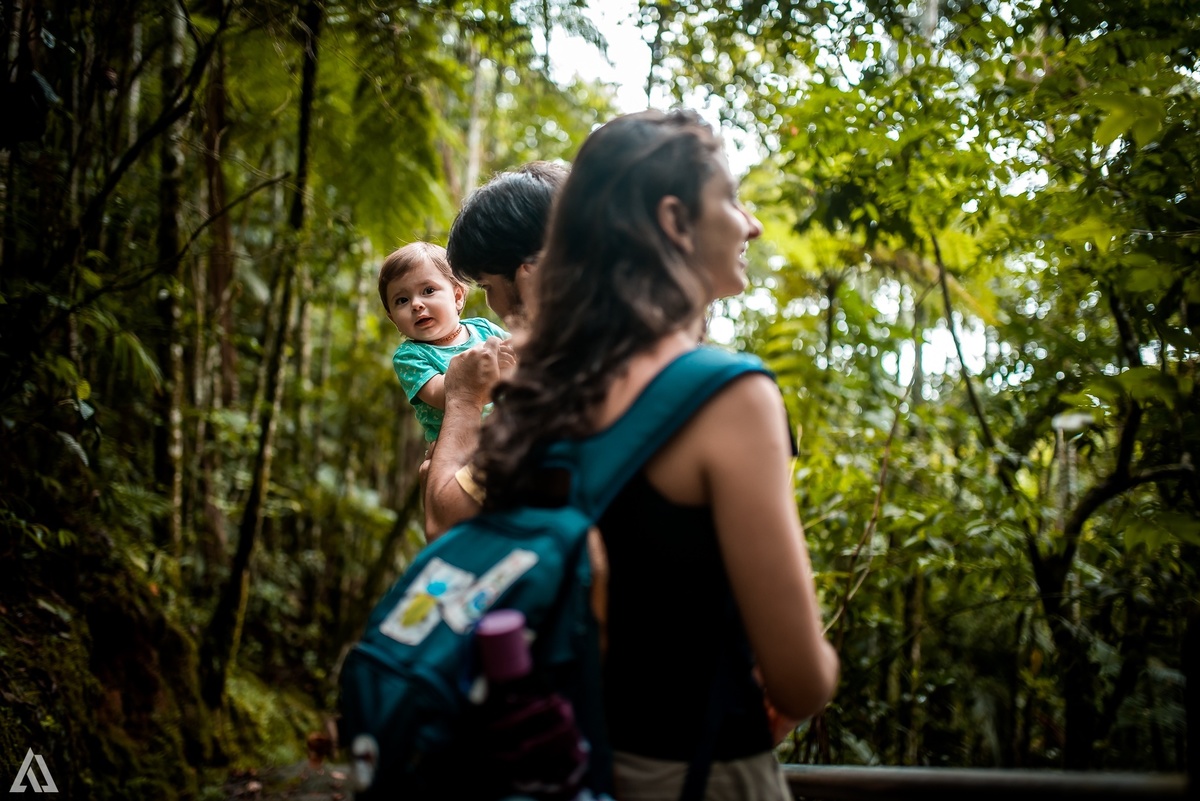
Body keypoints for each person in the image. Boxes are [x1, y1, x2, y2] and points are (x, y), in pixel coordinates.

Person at [471, 110, 840, 800]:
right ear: (675, 220)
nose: (752, 224)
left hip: (565, 767)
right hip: (696, 774)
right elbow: (799, 683)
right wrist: (816, 668)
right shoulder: (728, 396)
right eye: (731, 199)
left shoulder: (535, 390)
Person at [423, 162, 568, 537]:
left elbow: (444, 521)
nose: (491, 305)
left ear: (531, 273)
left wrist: (463, 399)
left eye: (487, 285)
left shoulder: (565, 381)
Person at [379, 242, 507, 444]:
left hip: (510, 433)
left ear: (457, 297)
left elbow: (524, 353)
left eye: (428, 290)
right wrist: (498, 374)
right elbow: (443, 395)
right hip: (459, 446)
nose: (416, 304)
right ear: (393, 318)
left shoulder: (484, 329)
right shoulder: (410, 356)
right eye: (402, 300)